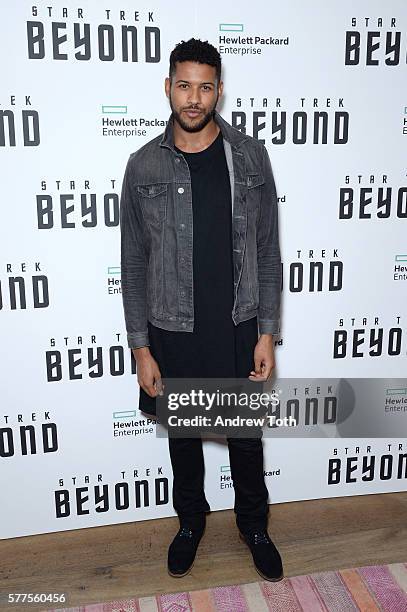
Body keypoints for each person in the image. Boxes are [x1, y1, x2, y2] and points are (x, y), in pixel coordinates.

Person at [119, 38, 283, 581]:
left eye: (204, 87)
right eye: (183, 85)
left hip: (237, 324)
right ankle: (190, 523)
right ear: (168, 87)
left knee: (245, 438)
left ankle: (254, 526)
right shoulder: (143, 165)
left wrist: (266, 333)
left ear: (219, 90)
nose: (193, 98)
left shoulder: (251, 157)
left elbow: (266, 251)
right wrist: (140, 348)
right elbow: (135, 263)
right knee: (185, 439)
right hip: (173, 327)